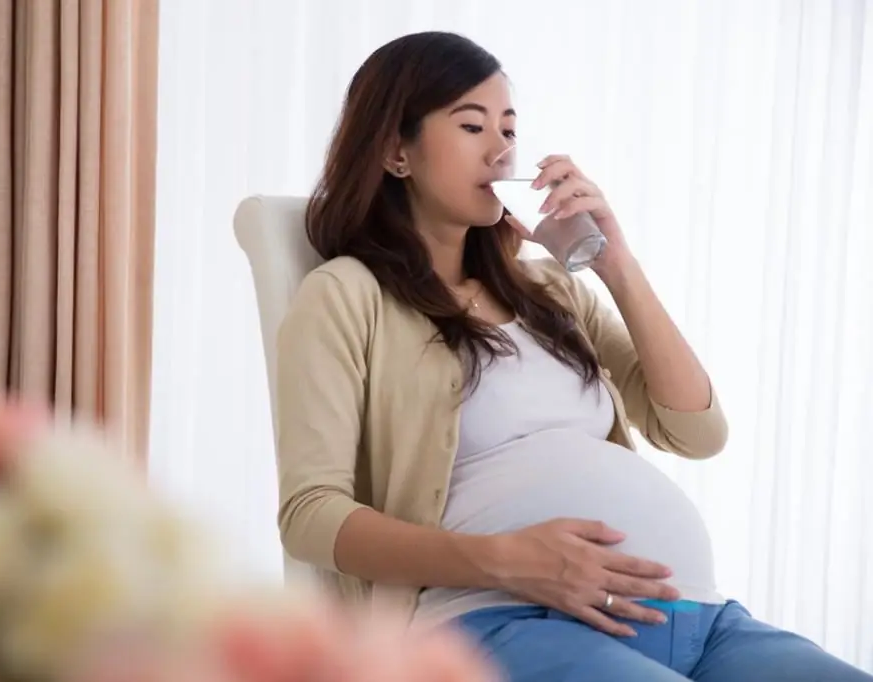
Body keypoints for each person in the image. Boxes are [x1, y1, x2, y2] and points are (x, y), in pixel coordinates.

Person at [274, 30, 872, 682]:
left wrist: (614, 263)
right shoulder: (347, 296)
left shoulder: (547, 289)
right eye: (472, 125)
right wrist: (506, 560)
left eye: (509, 128)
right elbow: (311, 516)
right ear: (396, 151)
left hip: (701, 620)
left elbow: (697, 431)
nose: (502, 148)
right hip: (501, 621)